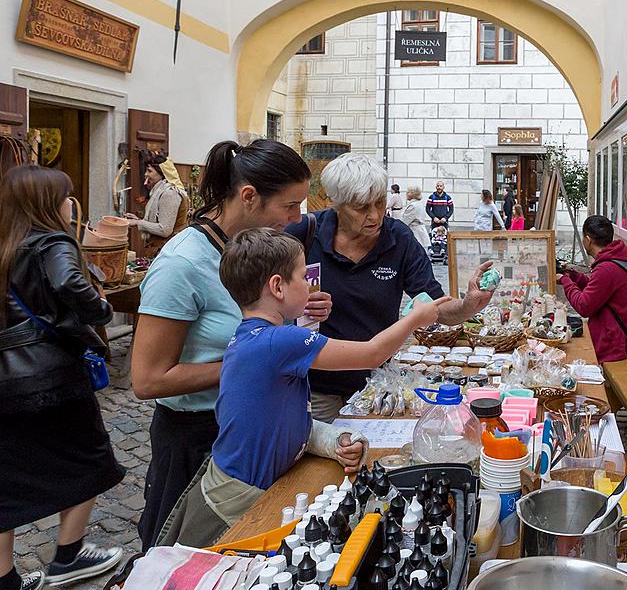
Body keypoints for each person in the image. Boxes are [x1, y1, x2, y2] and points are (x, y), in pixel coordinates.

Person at [158, 228, 436, 546]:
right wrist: (416, 317)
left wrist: (329, 439)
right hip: (238, 500)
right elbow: (372, 353)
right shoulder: (281, 340)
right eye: (303, 277)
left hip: (240, 483)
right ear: (277, 286)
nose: (310, 284)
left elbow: (277, 418)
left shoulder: (252, 334)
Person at [130, 139, 329, 551]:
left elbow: (255, 328)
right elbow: (147, 380)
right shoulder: (182, 263)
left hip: (254, 437)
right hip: (197, 443)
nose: (296, 218)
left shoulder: (253, 252)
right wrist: (251, 361)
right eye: (289, 206)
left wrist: (296, 312)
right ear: (249, 196)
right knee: (186, 559)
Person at [285, 153, 496, 422]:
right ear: (335, 204)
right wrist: (295, 307)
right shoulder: (303, 234)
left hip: (375, 384)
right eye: (361, 207)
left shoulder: (398, 239)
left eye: (380, 202)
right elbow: (262, 301)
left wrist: (467, 305)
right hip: (314, 386)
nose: (374, 215)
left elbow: (436, 306)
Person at [0, 166, 124, 590]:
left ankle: (5, 579)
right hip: (52, 378)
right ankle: (69, 557)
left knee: (7, 478)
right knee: (88, 459)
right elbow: (70, 283)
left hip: (6, 382)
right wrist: (102, 311)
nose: (71, 202)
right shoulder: (52, 241)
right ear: (49, 202)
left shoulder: (4, 244)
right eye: (67, 195)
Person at [557, 215, 627, 363]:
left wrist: (565, 281)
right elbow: (598, 290)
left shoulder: (606, 269)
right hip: (618, 339)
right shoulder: (619, 258)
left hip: (613, 347)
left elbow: (584, 306)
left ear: (588, 240)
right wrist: (573, 276)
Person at [125, 155, 189, 257]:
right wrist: (138, 220)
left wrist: (138, 222)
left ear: (162, 174)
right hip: (163, 250)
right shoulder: (160, 192)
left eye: (149, 171)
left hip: (168, 253)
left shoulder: (170, 193)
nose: (145, 174)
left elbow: (164, 230)